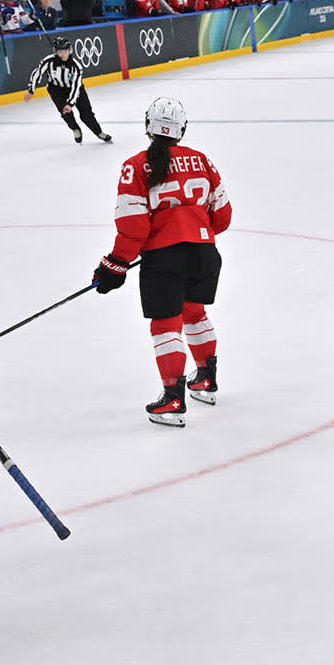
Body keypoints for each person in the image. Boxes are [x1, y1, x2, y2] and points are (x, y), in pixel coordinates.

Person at [91, 98, 230, 425]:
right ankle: (205, 381)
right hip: (205, 254)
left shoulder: (136, 166)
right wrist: (193, 233)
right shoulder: (202, 161)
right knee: (194, 313)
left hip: (165, 259)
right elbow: (222, 216)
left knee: (166, 325)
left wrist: (115, 264)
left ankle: (173, 400)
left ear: (148, 127)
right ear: (182, 129)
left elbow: (134, 226)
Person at [25, 35, 111, 145]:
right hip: (56, 89)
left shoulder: (76, 66)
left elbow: (76, 87)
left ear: (70, 50)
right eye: (60, 52)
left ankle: (98, 132)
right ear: (56, 51)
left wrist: (70, 103)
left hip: (75, 89)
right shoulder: (49, 61)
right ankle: (75, 128)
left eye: (66, 51)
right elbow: (37, 73)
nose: (64, 54)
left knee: (86, 114)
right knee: (65, 112)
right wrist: (31, 90)